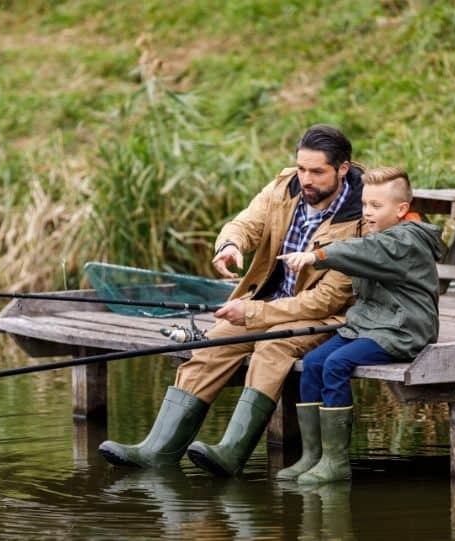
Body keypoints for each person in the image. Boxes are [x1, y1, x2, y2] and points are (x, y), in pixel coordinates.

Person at [98, 125, 365, 476]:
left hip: (324, 318)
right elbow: (246, 223)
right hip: (266, 306)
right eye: (302, 168)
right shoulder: (285, 187)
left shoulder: (360, 219)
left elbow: (327, 300)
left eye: (317, 171)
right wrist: (230, 245)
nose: (307, 179)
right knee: (212, 345)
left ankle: (232, 451)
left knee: (272, 350)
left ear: (342, 169)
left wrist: (253, 311)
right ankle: (157, 450)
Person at [275, 166, 444, 484]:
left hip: (404, 330)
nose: (367, 212)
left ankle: (336, 462)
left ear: (401, 209)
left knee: (337, 364)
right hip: (370, 325)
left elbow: (364, 251)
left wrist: (317, 256)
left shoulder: (404, 241)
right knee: (312, 363)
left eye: (376, 206)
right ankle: (312, 455)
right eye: (365, 205)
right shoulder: (380, 232)